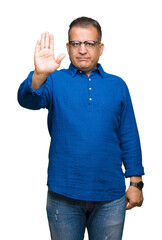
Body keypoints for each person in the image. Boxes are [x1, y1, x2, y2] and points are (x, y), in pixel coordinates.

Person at [17, 16, 145, 240]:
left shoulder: (118, 85)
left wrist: (136, 182)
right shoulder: (53, 80)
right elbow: (27, 100)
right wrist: (39, 75)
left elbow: (129, 134)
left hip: (110, 197)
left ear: (100, 48)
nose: (82, 50)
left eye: (89, 43)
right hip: (63, 194)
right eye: (76, 43)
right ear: (68, 47)